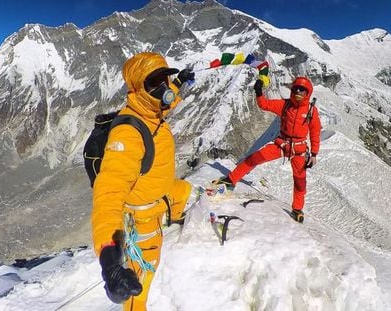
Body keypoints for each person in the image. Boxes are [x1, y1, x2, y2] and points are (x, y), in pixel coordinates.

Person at [92, 52, 194, 310]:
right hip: (143, 220)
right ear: (139, 88)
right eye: (155, 82)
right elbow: (108, 195)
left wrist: (179, 86)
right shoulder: (127, 134)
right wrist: (110, 263)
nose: (163, 88)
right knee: (140, 285)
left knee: (185, 189)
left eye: (165, 79)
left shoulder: (150, 108)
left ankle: (173, 218)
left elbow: (164, 101)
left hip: (161, 193)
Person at [215, 76, 321, 223]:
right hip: (282, 145)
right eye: (296, 88)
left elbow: (315, 132)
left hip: (299, 150)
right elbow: (265, 105)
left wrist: (314, 154)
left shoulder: (310, 111)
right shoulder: (285, 105)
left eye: (302, 90)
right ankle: (231, 180)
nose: (298, 91)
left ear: (307, 93)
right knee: (255, 158)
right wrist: (259, 92)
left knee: (300, 181)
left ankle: (297, 209)